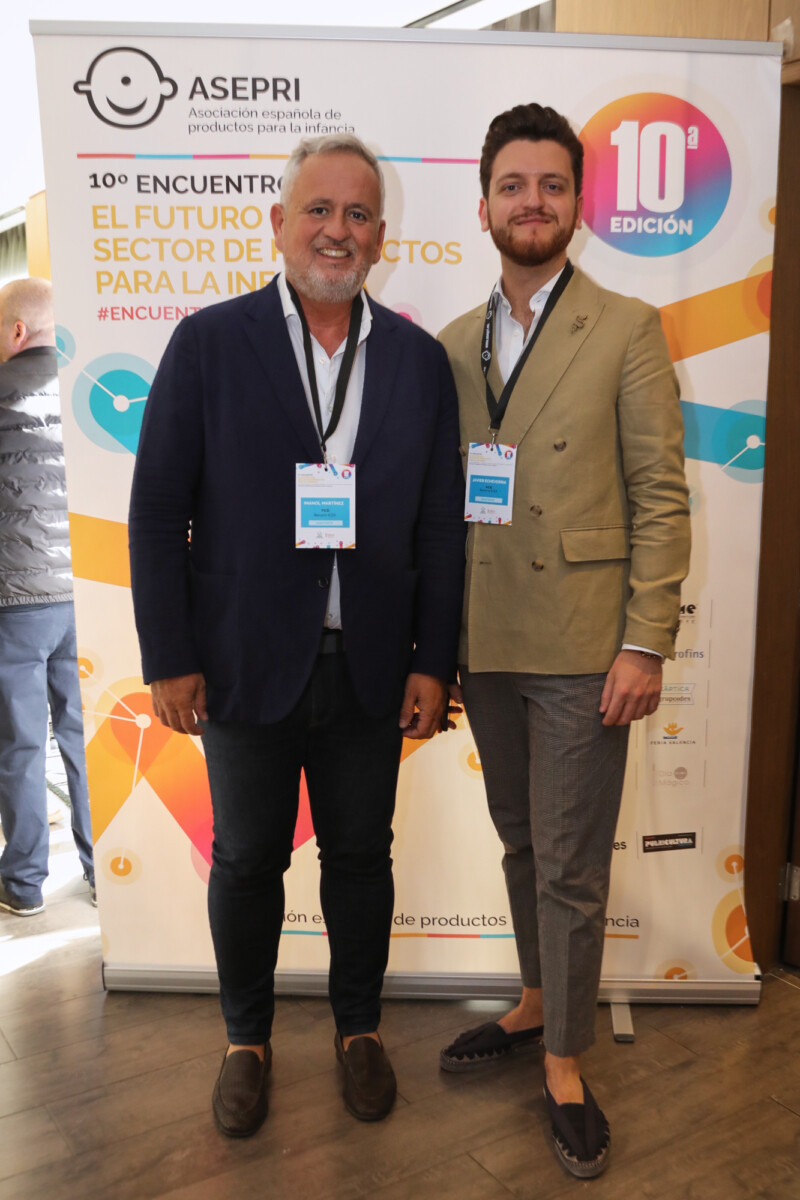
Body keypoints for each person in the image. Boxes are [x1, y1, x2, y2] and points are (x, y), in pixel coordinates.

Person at [129, 134, 465, 1137]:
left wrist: (431, 661)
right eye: (318, 209)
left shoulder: (415, 360)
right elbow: (157, 513)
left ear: (380, 236)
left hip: (370, 666)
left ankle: (359, 1029)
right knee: (245, 862)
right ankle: (246, 1040)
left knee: (361, 858)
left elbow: (439, 527)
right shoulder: (207, 343)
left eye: (357, 214)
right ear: (279, 224)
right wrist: (170, 657)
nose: (336, 231)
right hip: (240, 663)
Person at [438, 104, 690, 1178]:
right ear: (484, 205)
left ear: (577, 203)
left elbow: (660, 495)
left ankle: (565, 1062)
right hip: (486, 635)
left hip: (587, 641)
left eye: (549, 184)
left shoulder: (625, 326)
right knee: (520, 840)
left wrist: (645, 643)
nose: (530, 202)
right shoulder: (452, 342)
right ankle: (537, 997)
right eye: (512, 185)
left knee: (571, 865)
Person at [0, 277, 95, 917]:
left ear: (16, 330)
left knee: (21, 746)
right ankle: (103, 872)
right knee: (81, 739)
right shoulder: (83, 394)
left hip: (14, 603)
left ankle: (24, 883)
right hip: (80, 597)